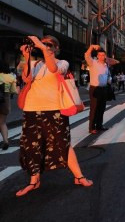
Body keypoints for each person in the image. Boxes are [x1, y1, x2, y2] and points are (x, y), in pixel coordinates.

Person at [16, 35, 92, 197]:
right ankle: (34, 180)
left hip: (54, 109)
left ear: (57, 48)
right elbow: (26, 78)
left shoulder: (62, 63)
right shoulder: (33, 63)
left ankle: (79, 176)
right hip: (31, 109)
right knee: (32, 146)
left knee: (63, 143)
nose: (46, 46)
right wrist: (27, 56)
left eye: (50, 44)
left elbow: (53, 69)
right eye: (44, 44)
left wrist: (43, 49)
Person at [85, 45, 111, 134]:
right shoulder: (93, 63)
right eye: (100, 55)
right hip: (95, 89)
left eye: (103, 55)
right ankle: (91, 127)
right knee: (94, 108)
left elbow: (107, 76)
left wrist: (109, 80)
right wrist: (91, 47)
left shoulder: (105, 65)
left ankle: (99, 125)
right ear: (97, 56)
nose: (102, 57)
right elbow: (86, 55)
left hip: (104, 89)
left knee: (101, 108)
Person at [0, 60, 17, 150]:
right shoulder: (10, 77)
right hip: (5, 101)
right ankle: (6, 141)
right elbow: (13, 91)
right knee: (2, 123)